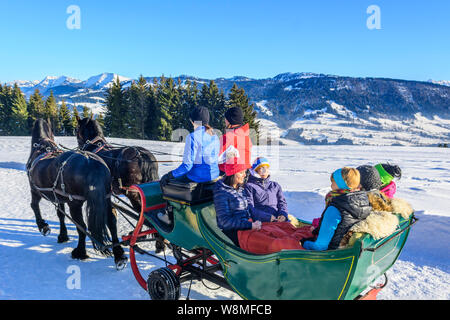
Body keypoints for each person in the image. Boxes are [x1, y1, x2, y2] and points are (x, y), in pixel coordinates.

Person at [214, 168, 313, 254]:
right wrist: (251, 225)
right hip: (237, 232)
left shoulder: (239, 188)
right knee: (274, 242)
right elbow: (224, 222)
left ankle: (309, 240)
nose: (245, 175)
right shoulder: (222, 193)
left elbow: (249, 210)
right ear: (232, 174)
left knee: (284, 229)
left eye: (245, 172)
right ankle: (301, 253)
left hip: (248, 225)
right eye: (241, 173)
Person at [158, 106, 220, 224]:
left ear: (193, 121)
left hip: (198, 177)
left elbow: (187, 166)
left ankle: (168, 215)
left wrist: (170, 174)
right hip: (213, 175)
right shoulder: (214, 135)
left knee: (167, 182)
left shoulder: (192, 137)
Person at [302, 167, 371, 251]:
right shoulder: (363, 200)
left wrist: (304, 243)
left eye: (333, 182)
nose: (331, 185)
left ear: (341, 184)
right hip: (346, 247)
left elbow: (320, 246)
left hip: (332, 251)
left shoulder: (335, 207)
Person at [244, 157, 289, 223]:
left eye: (267, 168)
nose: (265, 170)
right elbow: (249, 208)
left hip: (278, 220)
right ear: (255, 171)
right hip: (261, 221)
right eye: (261, 168)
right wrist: (267, 217)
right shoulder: (249, 186)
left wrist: (283, 214)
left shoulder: (275, 185)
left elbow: (282, 203)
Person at [218, 107, 252, 177]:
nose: (225, 121)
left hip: (229, 175)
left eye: (226, 119)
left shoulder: (227, 137)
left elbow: (215, 157)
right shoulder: (246, 137)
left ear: (231, 121)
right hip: (245, 173)